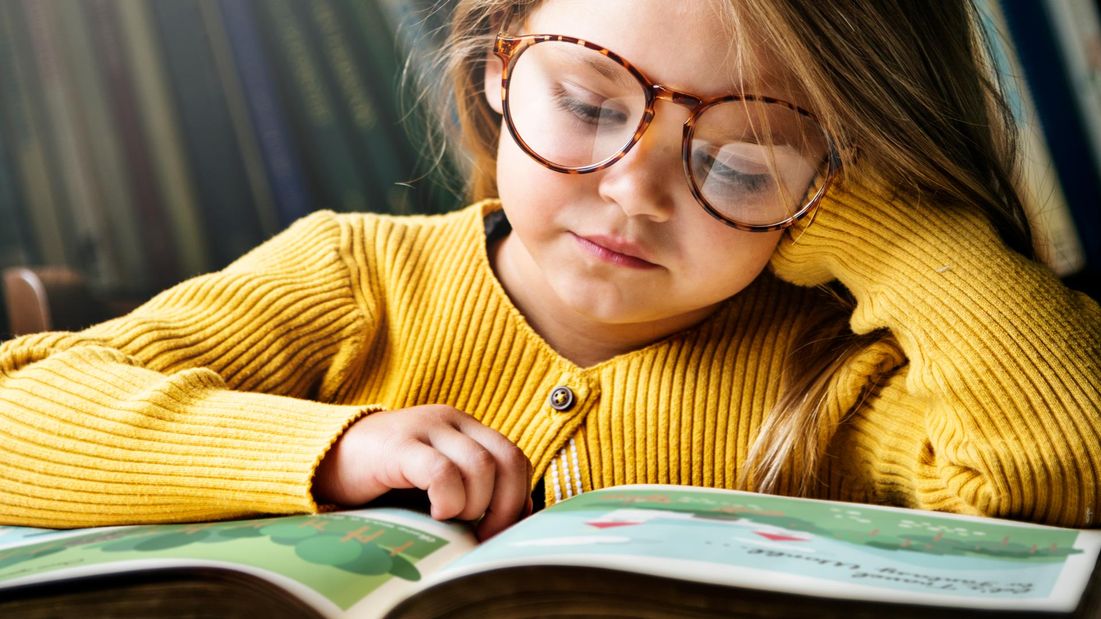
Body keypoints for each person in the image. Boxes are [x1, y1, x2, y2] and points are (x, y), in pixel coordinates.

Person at [1, 0, 1099, 541]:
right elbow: (19, 411)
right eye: (585, 105)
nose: (634, 190)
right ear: (495, 66)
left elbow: (1057, 480)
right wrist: (328, 447)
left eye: (743, 158)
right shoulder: (354, 273)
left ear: (841, 177)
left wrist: (893, 232)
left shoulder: (830, 371)